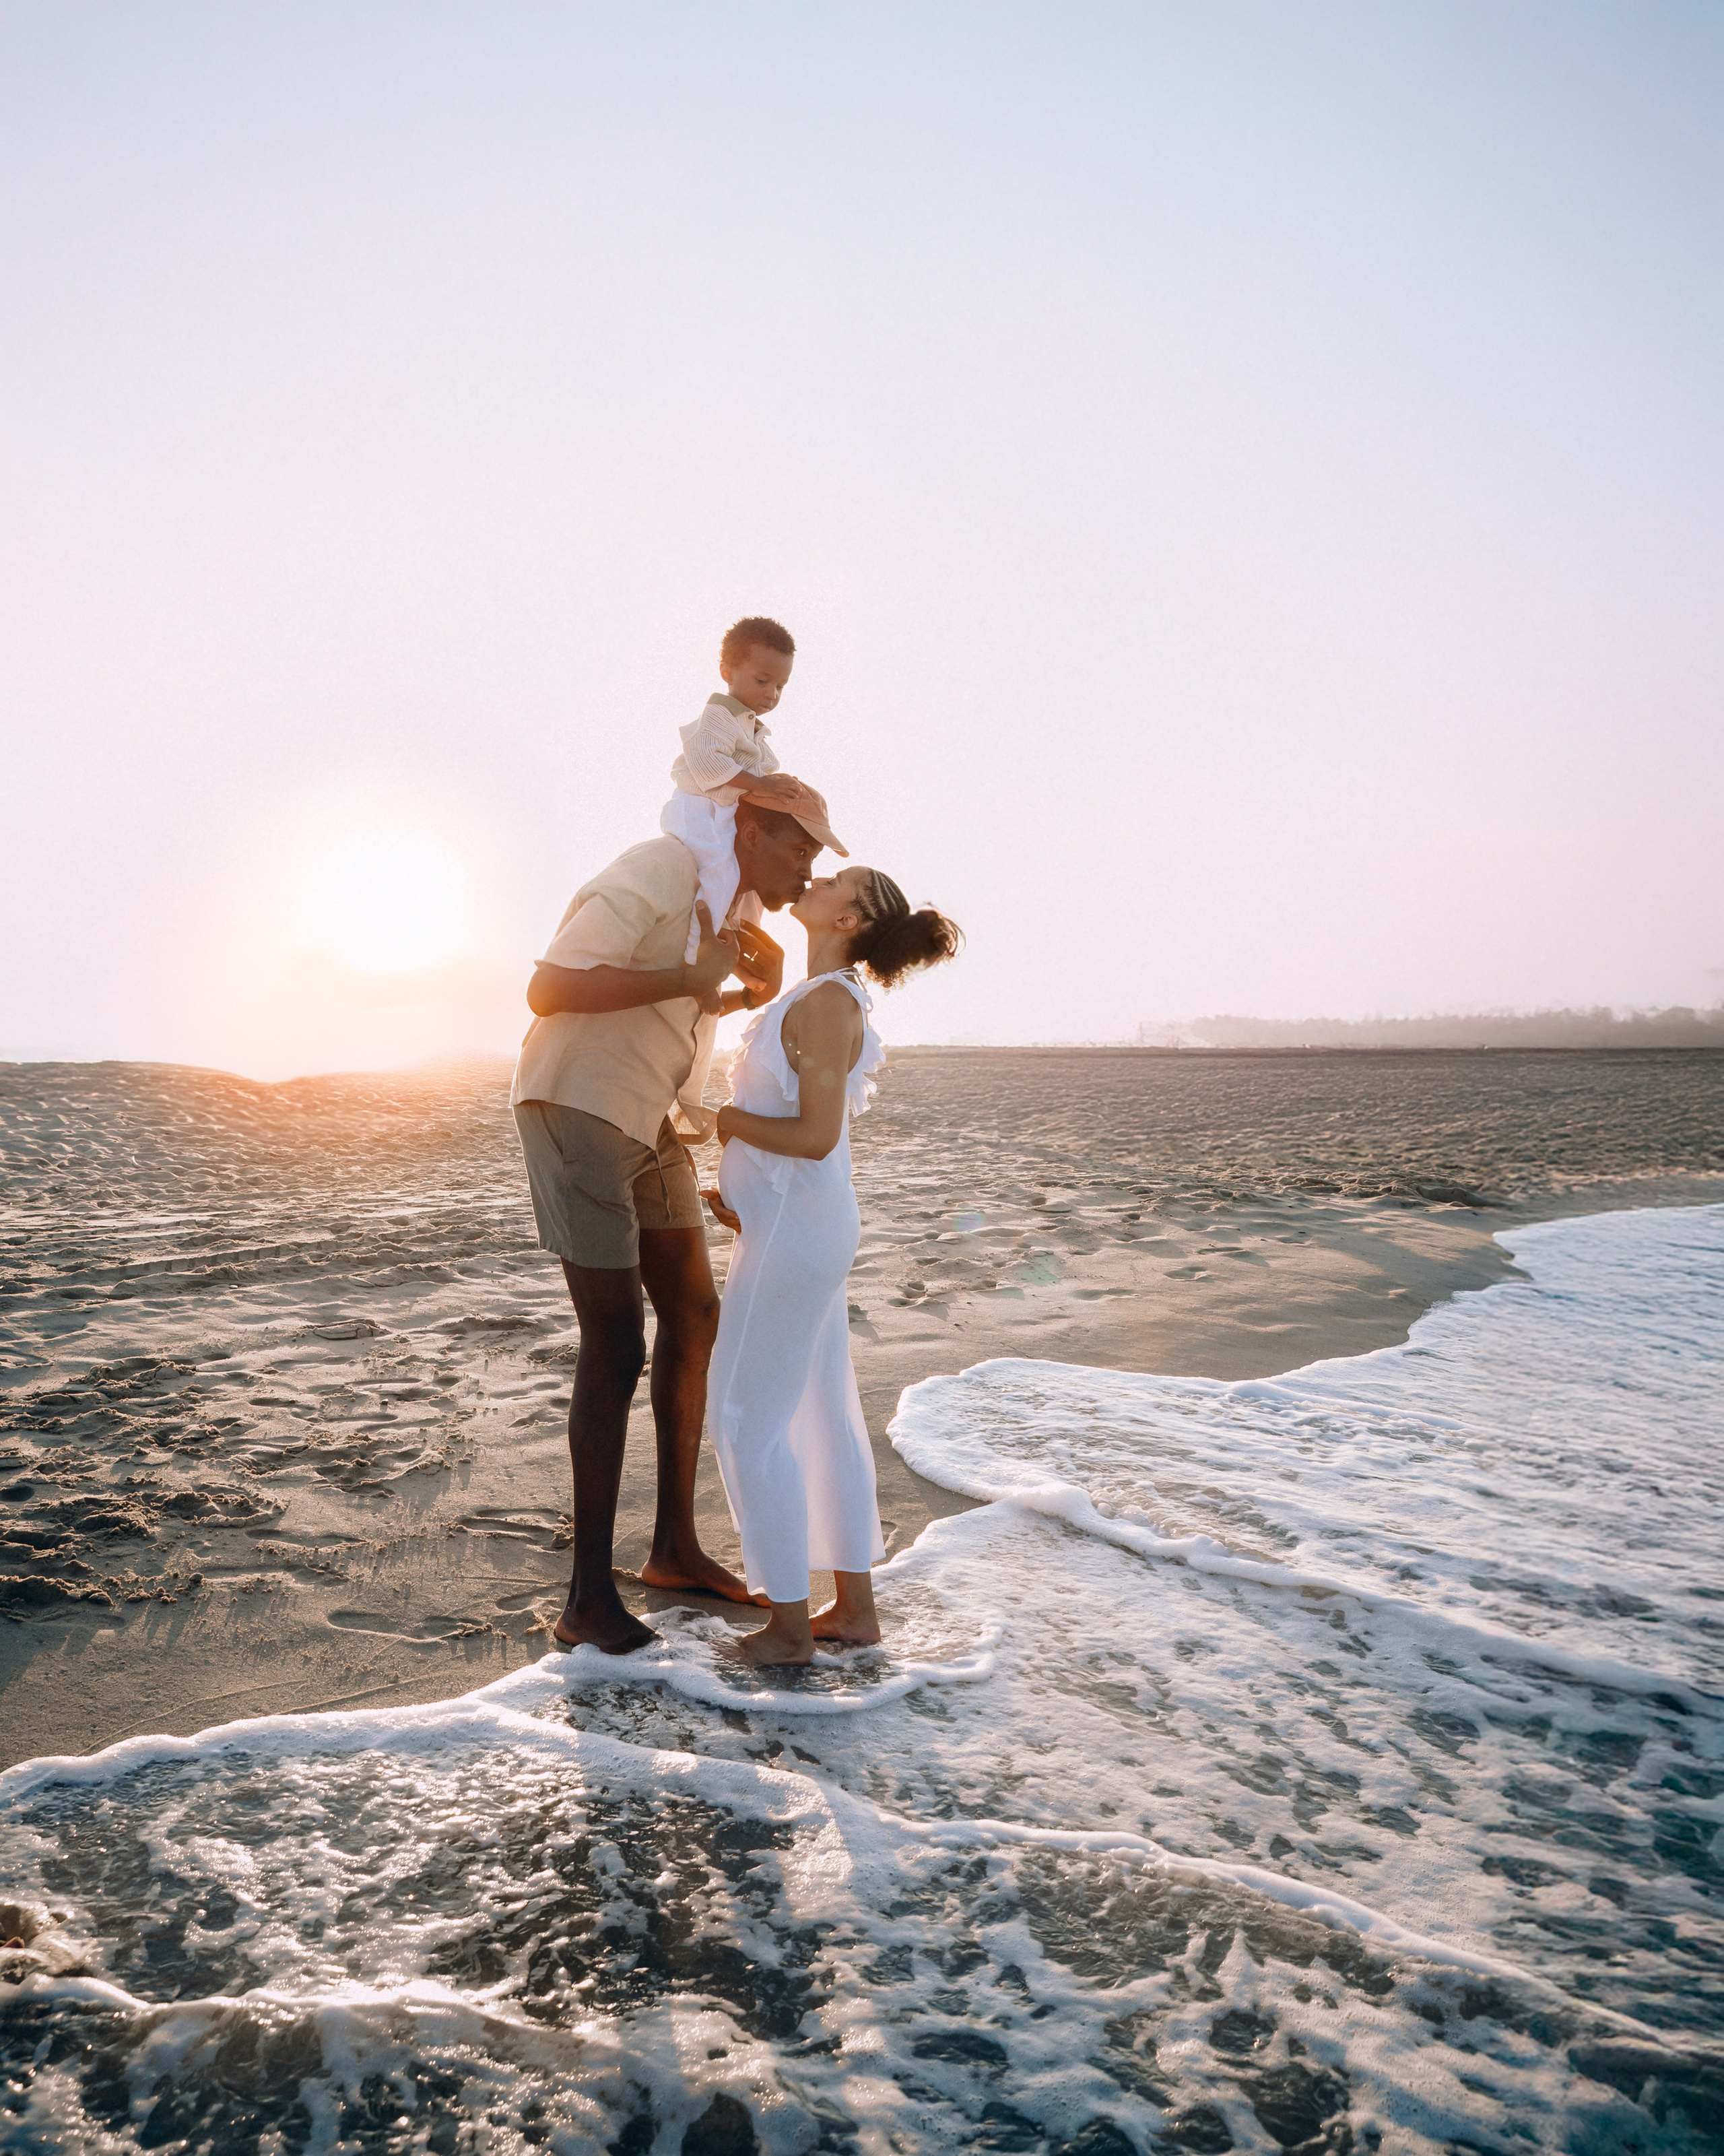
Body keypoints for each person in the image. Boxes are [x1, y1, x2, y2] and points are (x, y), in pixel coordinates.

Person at [512, 791, 847, 1655]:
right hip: (579, 1105)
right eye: (798, 847)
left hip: (653, 1118)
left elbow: (673, 1009)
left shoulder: (727, 903)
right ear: (747, 826)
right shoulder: (660, 866)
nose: (807, 868)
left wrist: (738, 995)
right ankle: (586, 1601)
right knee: (616, 1343)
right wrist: (695, 979)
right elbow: (548, 988)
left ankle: (672, 1548)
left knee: (696, 1314)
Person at [703, 866, 962, 1666]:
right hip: (796, 1223)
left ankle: (786, 1629)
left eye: (833, 880)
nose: (812, 878)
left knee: (746, 1417)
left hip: (797, 1232)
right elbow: (814, 1142)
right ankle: (853, 1610)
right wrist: (746, 1188)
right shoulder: (819, 995)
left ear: (849, 917)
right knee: (822, 1409)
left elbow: (813, 1135)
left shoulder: (825, 1002)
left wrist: (722, 1122)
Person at [660, 616, 849, 962]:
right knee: (722, 871)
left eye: (780, 686)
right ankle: (695, 957)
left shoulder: (750, 727)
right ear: (727, 672)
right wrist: (761, 784)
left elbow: (758, 768)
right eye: (762, 681)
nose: (771, 694)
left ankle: (733, 947)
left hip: (719, 807)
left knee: (740, 884)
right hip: (698, 807)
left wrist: (773, 785)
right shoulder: (718, 715)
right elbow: (706, 761)